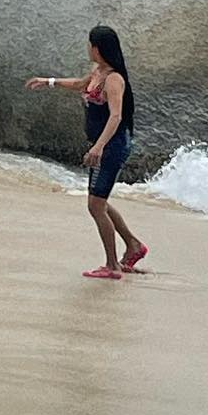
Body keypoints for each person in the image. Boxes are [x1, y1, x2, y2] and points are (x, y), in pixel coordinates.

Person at [26, 25, 147, 280]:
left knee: (95, 205)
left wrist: (98, 147)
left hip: (112, 146)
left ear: (98, 48)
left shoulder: (114, 79)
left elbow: (116, 116)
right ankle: (133, 245)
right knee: (98, 202)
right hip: (104, 144)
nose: (87, 48)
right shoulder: (98, 71)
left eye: (90, 44)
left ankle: (113, 266)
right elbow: (80, 84)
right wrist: (48, 81)